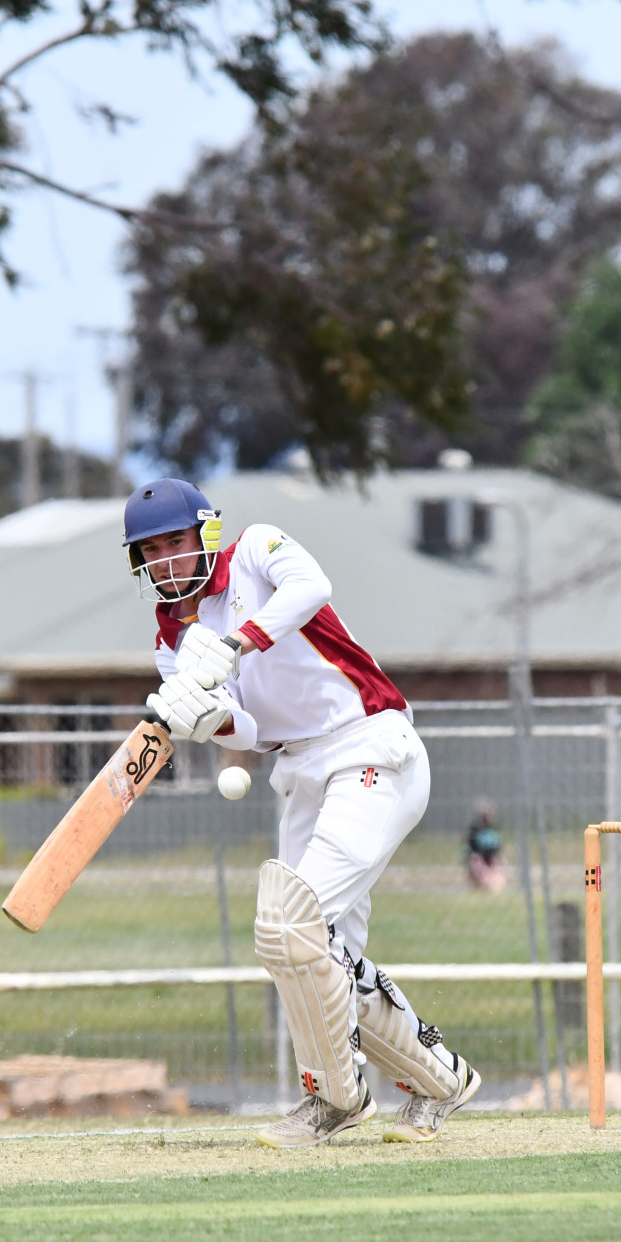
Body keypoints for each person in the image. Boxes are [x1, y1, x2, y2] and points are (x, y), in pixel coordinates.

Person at [126, 477, 480, 1147]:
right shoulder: (170, 639)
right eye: (151, 551)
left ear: (204, 533)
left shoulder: (256, 551)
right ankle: (440, 1079)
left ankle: (334, 1100)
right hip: (300, 772)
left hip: (371, 743)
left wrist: (236, 643)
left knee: (289, 922)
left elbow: (311, 587)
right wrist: (211, 719)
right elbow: (248, 731)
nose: (166, 561)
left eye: (175, 541)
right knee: (316, 949)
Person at [464, 803, 506, 893]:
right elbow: (473, 847)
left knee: (497, 881)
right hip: (478, 857)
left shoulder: (493, 830)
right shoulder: (475, 830)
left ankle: (489, 884)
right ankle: (481, 883)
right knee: (479, 868)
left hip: (490, 858)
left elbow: (497, 846)